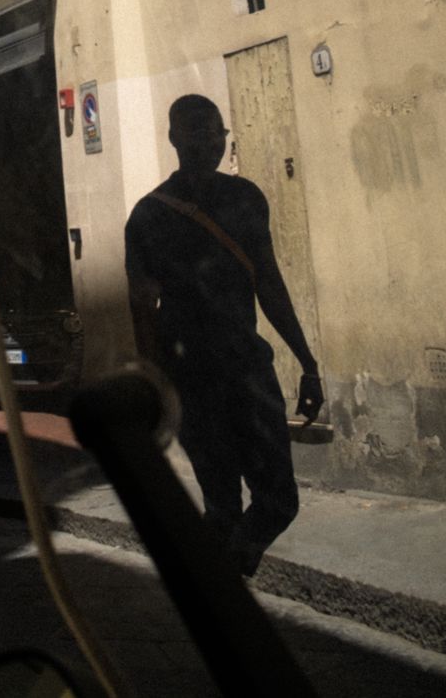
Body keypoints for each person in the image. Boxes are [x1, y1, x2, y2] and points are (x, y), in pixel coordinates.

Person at [124, 94, 324, 576]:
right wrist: (155, 389)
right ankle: (224, 603)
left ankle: (215, 580)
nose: (207, 141)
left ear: (224, 136)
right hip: (192, 377)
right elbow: (142, 312)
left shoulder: (245, 199)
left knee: (279, 500)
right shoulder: (147, 218)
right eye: (195, 130)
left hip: (247, 371)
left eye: (214, 130)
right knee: (223, 505)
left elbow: (269, 283)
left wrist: (308, 362)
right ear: (173, 137)